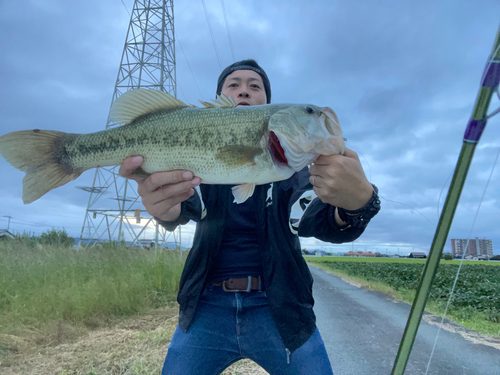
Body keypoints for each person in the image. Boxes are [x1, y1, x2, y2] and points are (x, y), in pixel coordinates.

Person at [119, 59, 380, 375]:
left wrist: (358, 203)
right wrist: (163, 208)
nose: (244, 90)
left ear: (268, 109)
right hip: (205, 308)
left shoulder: (296, 174)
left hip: (282, 312)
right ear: (218, 101)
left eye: (255, 86)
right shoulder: (199, 166)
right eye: (234, 85)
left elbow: (319, 219)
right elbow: (181, 208)